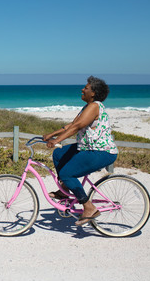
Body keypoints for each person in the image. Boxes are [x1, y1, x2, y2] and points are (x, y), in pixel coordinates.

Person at [43, 76, 118, 226]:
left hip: (101, 151)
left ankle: (89, 207)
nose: (82, 89)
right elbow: (72, 125)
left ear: (94, 93)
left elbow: (76, 128)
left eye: (86, 88)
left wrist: (57, 141)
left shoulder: (95, 106)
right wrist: (52, 134)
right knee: (58, 154)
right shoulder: (87, 107)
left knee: (66, 173)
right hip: (87, 147)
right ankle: (65, 189)